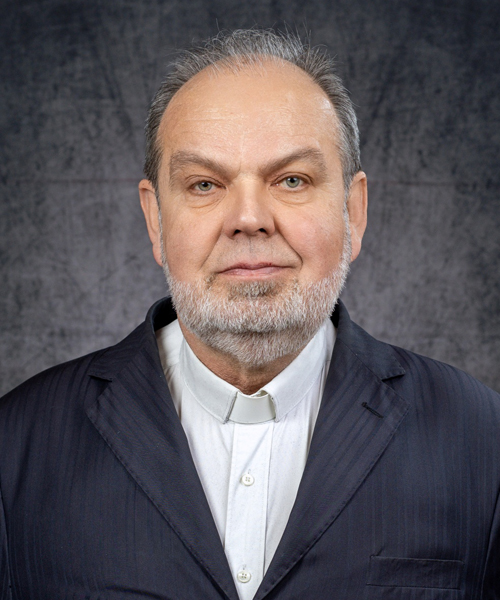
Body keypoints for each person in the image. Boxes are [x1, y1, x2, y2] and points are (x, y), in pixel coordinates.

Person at [0, 29, 499, 600]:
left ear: (354, 212)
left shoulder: (484, 445)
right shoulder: (15, 447)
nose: (248, 218)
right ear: (156, 221)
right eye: (204, 184)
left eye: (292, 180)